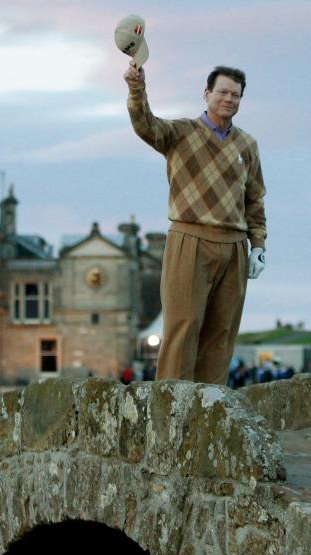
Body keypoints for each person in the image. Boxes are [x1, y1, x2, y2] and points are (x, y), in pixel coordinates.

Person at [125, 63, 266, 384]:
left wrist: (258, 245)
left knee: (222, 331)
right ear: (207, 94)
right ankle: (169, 411)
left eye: (236, 94)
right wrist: (137, 89)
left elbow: (255, 200)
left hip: (235, 246)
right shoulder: (180, 133)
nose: (228, 99)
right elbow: (146, 125)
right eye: (222, 92)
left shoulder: (248, 145)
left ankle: (210, 410)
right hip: (190, 237)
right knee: (184, 325)